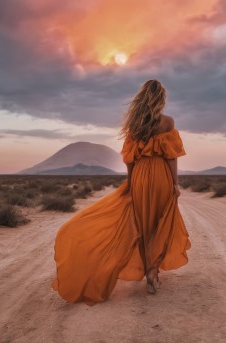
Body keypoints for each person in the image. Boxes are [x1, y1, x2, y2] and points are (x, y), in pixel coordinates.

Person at [51, 79, 191, 305]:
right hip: (161, 176)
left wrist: (131, 181)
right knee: (160, 222)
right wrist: (175, 184)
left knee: (143, 225)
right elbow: (172, 156)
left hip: (140, 176)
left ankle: (149, 272)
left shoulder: (135, 124)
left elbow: (129, 159)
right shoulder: (167, 122)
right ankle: (154, 272)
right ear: (160, 99)